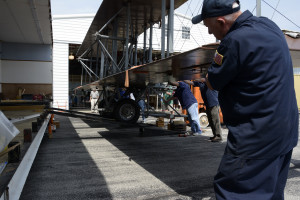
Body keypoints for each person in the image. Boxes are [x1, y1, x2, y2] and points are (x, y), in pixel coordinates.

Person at [192, 0, 299, 199]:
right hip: (286, 132)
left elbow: (213, 81)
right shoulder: (269, 25)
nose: (209, 33)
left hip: (257, 137)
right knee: (272, 194)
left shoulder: (233, 41)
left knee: (233, 192)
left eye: (208, 26)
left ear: (221, 21)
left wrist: (206, 77)